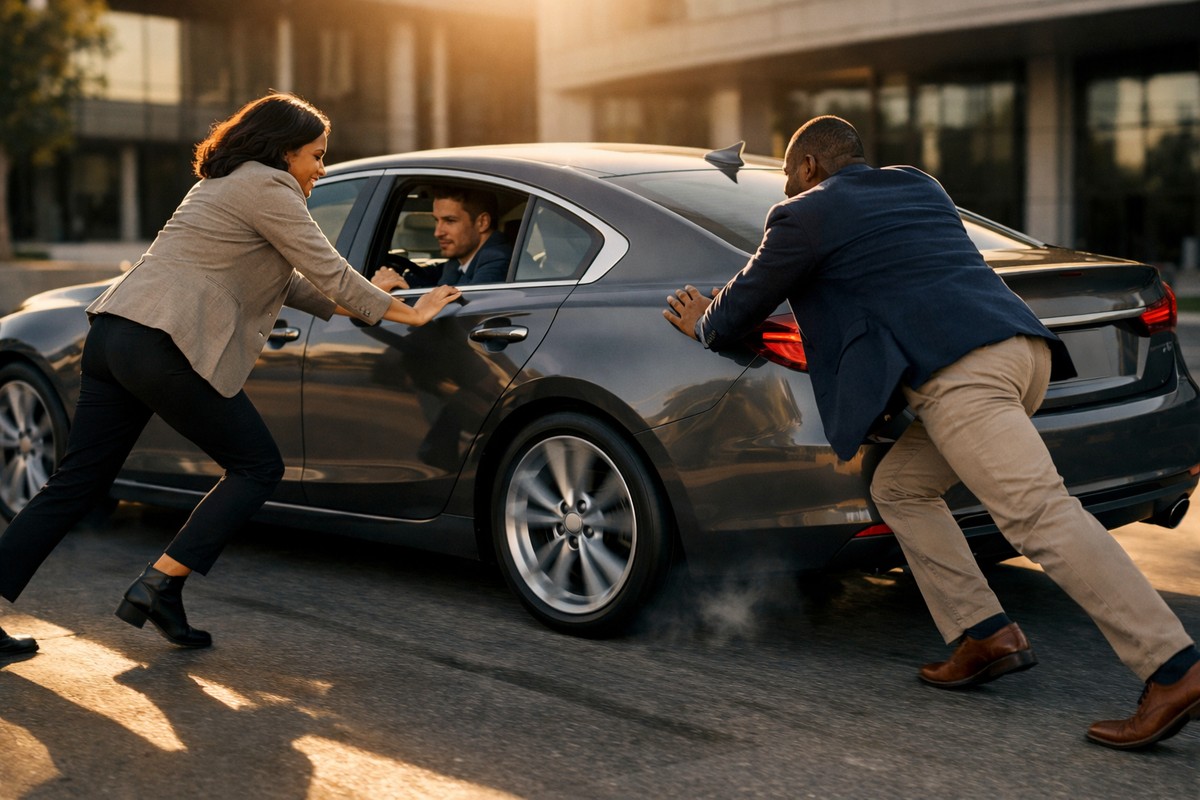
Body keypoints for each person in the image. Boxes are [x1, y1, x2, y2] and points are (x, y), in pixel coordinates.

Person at [662, 115, 1200, 750]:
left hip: (962, 378)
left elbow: (739, 309)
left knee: (1041, 517)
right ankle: (983, 634)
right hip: (1023, 356)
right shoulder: (919, 185)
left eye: (786, 176)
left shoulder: (803, 214)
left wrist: (703, 320)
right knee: (901, 488)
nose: (784, 189)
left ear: (808, 168)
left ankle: (1173, 668)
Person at [0, 92, 461, 655]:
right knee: (257, 466)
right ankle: (161, 584)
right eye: (316, 155)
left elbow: (292, 283)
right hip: (162, 345)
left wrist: (370, 295)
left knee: (75, 483)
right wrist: (411, 311)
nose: (321, 168)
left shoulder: (221, 183)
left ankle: (161, 591)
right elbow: (330, 272)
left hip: (114, 333)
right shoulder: (270, 187)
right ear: (284, 152)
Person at [375, 186, 511, 291]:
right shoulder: (459, 261)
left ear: (482, 222)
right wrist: (393, 279)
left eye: (450, 221)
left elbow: (464, 308)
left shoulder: (497, 260)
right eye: (436, 220)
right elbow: (427, 277)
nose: (437, 232)